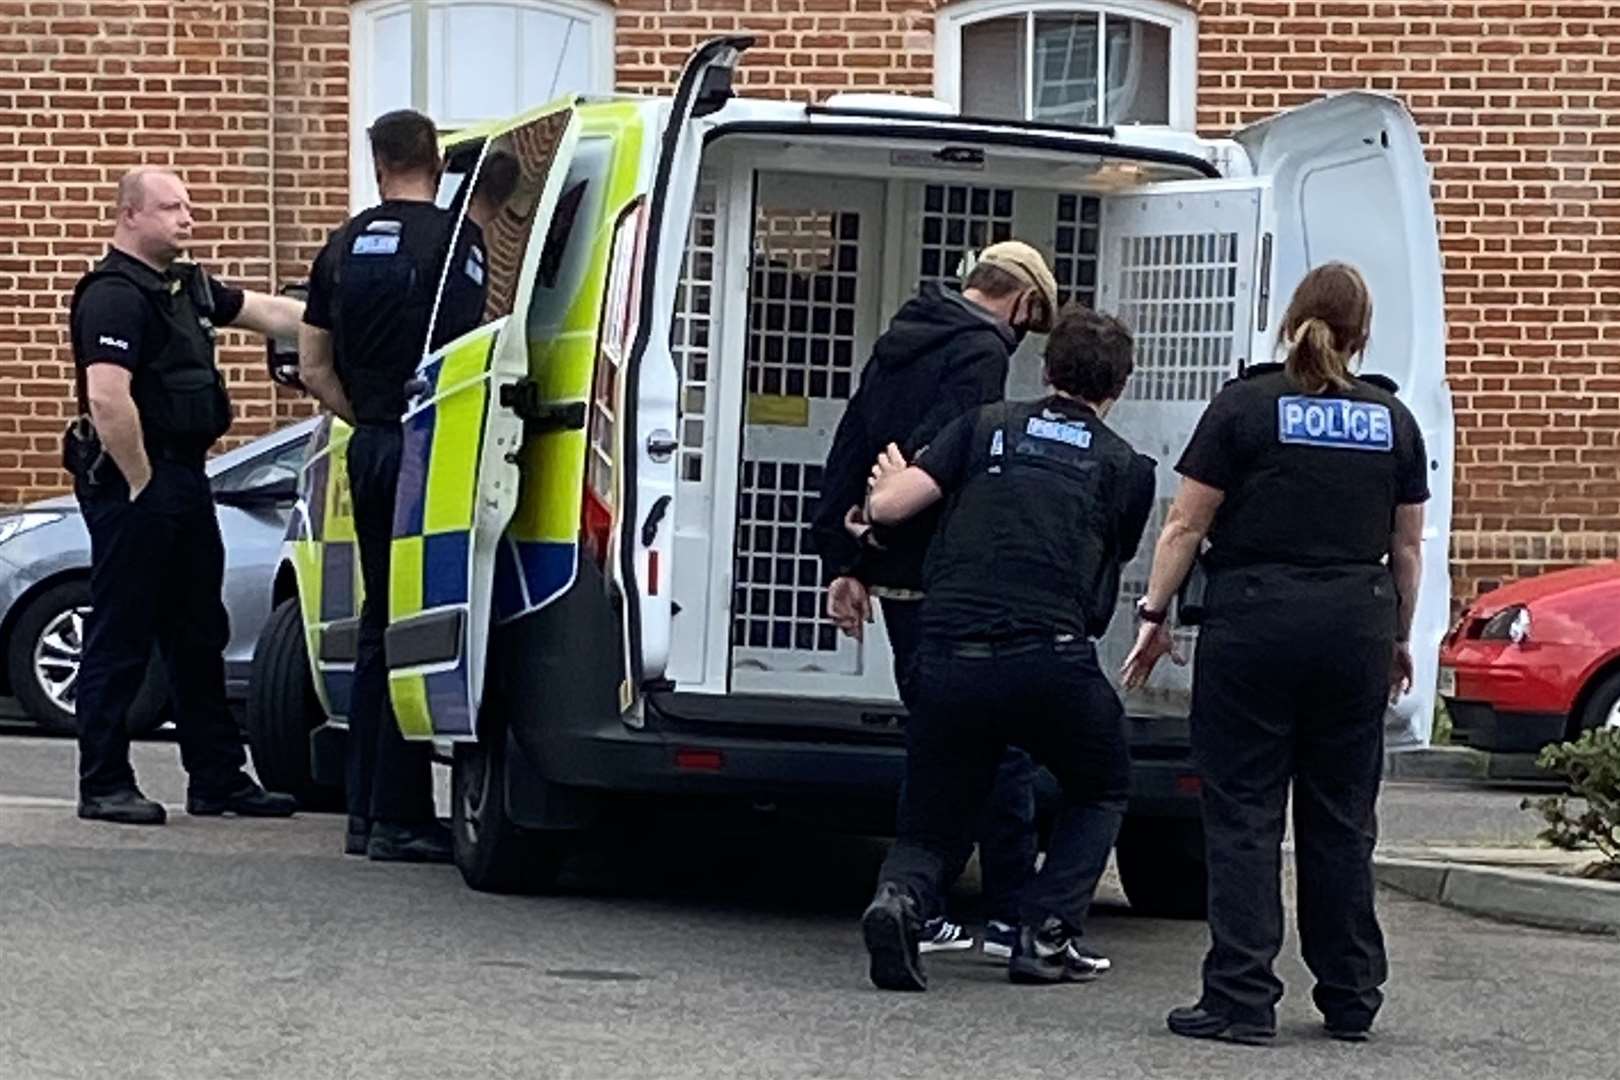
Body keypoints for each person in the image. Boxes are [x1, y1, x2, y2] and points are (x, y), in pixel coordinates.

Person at [1121, 263, 1428, 1045]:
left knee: (1245, 814)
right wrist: (1396, 636)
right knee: (1341, 818)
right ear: (1360, 335)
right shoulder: (1392, 418)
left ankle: (1241, 998)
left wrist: (1154, 614)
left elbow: (1185, 525)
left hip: (1255, 622)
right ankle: (1352, 993)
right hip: (1355, 625)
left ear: (1293, 322)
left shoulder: (1245, 405)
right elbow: (1407, 547)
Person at [858, 306, 1156, 992]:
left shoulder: (983, 426)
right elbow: (1110, 550)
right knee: (1101, 784)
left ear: (1045, 371)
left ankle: (900, 900)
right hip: (1051, 658)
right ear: (1119, 387)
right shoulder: (1125, 467)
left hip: (950, 650)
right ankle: (1046, 932)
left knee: (934, 812)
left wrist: (880, 487)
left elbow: (891, 509)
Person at [814, 241, 1060, 958]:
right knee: (991, 740)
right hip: (945, 572)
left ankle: (919, 900)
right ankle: (1007, 908)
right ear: (1019, 302)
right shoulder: (981, 352)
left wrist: (848, 554)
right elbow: (951, 459)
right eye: (1029, 321)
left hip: (890, 572)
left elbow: (854, 439)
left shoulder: (901, 334)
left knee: (937, 731)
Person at [66, 166, 305, 825]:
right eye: (171, 207)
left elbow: (269, 313)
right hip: (136, 479)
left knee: (199, 630)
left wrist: (339, 317)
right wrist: (141, 483)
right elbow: (108, 399)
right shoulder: (113, 295)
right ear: (130, 217)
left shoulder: (187, 286)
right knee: (122, 633)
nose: (187, 217)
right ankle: (105, 782)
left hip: (185, 476)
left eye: (188, 206)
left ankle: (218, 780)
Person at [298, 109, 493, 862]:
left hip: (371, 442)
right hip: (425, 450)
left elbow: (314, 366)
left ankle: (367, 813)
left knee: (379, 623)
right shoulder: (456, 245)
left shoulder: (342, 245)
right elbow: (469, 352)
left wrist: (369, 416)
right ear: (437, 162)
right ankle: (403, 818)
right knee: (419, 624)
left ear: (378, 163)